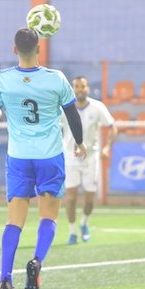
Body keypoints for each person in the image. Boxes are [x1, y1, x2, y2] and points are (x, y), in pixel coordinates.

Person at [0, 28, 86, 289]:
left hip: (18, 157)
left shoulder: (2, 79)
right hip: (49, 156)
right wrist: (80, 143)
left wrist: (3, 105)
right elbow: (72, 115)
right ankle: (37, 261)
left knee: (14, 220)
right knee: (48, 215)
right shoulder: (56, 79)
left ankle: (5, 278)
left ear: (14, 49)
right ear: (39, 48)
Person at [60, 76, 117, 244]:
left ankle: (84, 223)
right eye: (76, 86)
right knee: (70, 198)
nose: (79, 89)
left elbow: (113, 127)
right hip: (70, 157)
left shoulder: (97, 107)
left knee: (90, 199)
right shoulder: (64, 108)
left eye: (82, 86)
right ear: (72, 89)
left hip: (91, 158)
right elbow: (53, 126)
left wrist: (107, 147)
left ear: (88, 88)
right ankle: (72, 232)